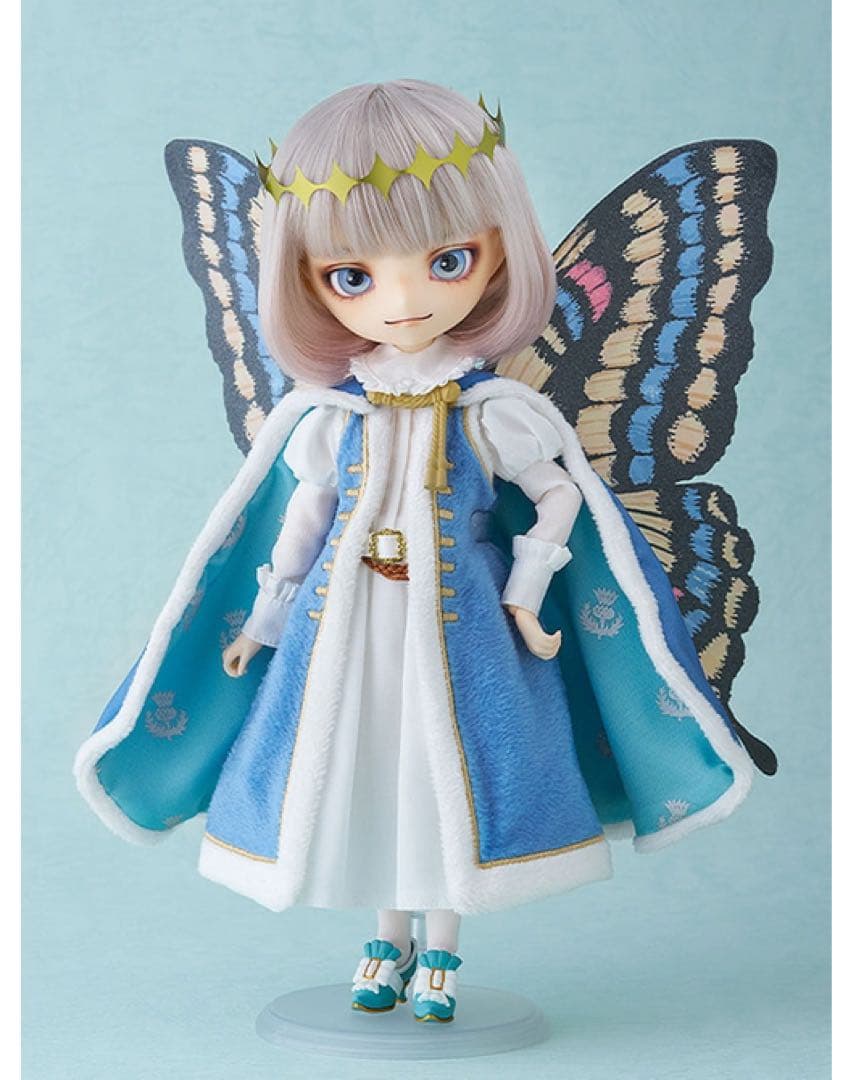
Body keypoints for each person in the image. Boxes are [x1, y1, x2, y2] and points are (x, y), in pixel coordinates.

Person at [75, 80, 756, 1024]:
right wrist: (264, 619)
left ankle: (440, 949)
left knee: (451, 776)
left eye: (445, 261)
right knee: (359, 768)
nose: (401, 300)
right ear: (303, 279)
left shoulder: (495, 412)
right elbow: (302, 522)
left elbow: (559, 496)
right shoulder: (330, 416)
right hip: (346, 630)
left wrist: (526, 592)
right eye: (351, 276)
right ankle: (384, 938)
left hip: (462, 630)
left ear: (496, 254)